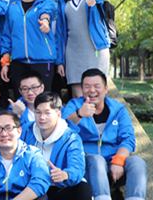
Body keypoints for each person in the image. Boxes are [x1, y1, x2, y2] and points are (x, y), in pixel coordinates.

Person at [63, 70, 147, 200]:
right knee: (97, 160)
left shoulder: (118, 109)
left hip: (113, 165)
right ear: (82, 89)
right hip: (87, 165)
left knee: (137, 162)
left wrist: (118, 161)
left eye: (97, 86)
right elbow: (61, 130)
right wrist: (79, 114)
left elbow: (128, 139)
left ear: (106, 89)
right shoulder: (74, 106)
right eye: (87, 86)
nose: (92, 90)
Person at [55, 0, 110, 98]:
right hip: (73, 53)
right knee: (78, 96)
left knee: (96, 95)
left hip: (95, 50)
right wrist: (60, 61)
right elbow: (60, 32)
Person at [0, 0, 59, 97]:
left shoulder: (47, 2)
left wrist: (45, 21)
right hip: (18, 63)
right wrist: (5, 63)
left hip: (42, 61)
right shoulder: (12, 8)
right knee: (21, 100)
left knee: (43, 101)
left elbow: (47, 12)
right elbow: (7, 37)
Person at [20, 93, 92, 200]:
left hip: (57, 186)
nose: (42, 117)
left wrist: (65, 174)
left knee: (82, 188)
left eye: (47, 113)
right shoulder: (26, 130)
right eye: (38, 112)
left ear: (58, 115)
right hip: (31, 186)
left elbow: (77, 168)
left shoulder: (71, 138)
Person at [0, 111, 51, 200]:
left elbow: (41, 180)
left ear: (19, 132)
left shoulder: (32, 154)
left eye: (9, 128)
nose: (4, 134)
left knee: (41, 197)